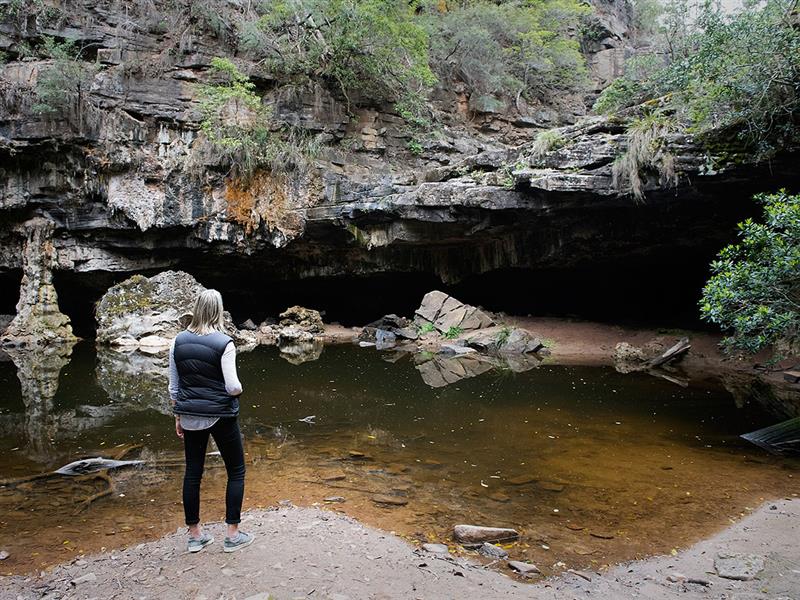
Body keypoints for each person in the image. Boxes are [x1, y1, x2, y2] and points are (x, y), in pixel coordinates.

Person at [169, 289, 254, 553]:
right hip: (220, 415)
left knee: (193, 473)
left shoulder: (177, 342)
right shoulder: (224, 343)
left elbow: (174, 387)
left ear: (196, 309)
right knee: (236, 471)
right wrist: (239, 389)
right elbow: (233, 387)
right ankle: (232, 535)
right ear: (218, 310)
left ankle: (195, 536)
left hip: (191, 415)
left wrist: (178, 416)